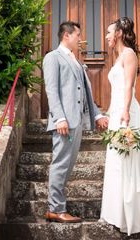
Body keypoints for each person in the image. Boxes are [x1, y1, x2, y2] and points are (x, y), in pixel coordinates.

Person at [43, 21, 109, 223]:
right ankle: (56, 209)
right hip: (64, 122)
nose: (80, 39)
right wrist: (59, 117)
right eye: (78, 35)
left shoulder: (77, 61)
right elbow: (51, 90)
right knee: (60, 164)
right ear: (66, 36)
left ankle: (58, 206)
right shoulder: (52, 58)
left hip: (77, 121)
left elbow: (86, 92)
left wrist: (97, 115)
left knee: (68, 165)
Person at [100, 17, 140, 235]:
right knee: (118, 161)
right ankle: (118, 212)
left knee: (126, 160)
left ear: (118, 33)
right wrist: (111, 112)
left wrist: (124, 111)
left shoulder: (129, 55)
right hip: (117, 112)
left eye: (108, 32)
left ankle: (130, 215)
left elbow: (128, 87)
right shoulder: (119, 57)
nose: (106, 36)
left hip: (126, 114)